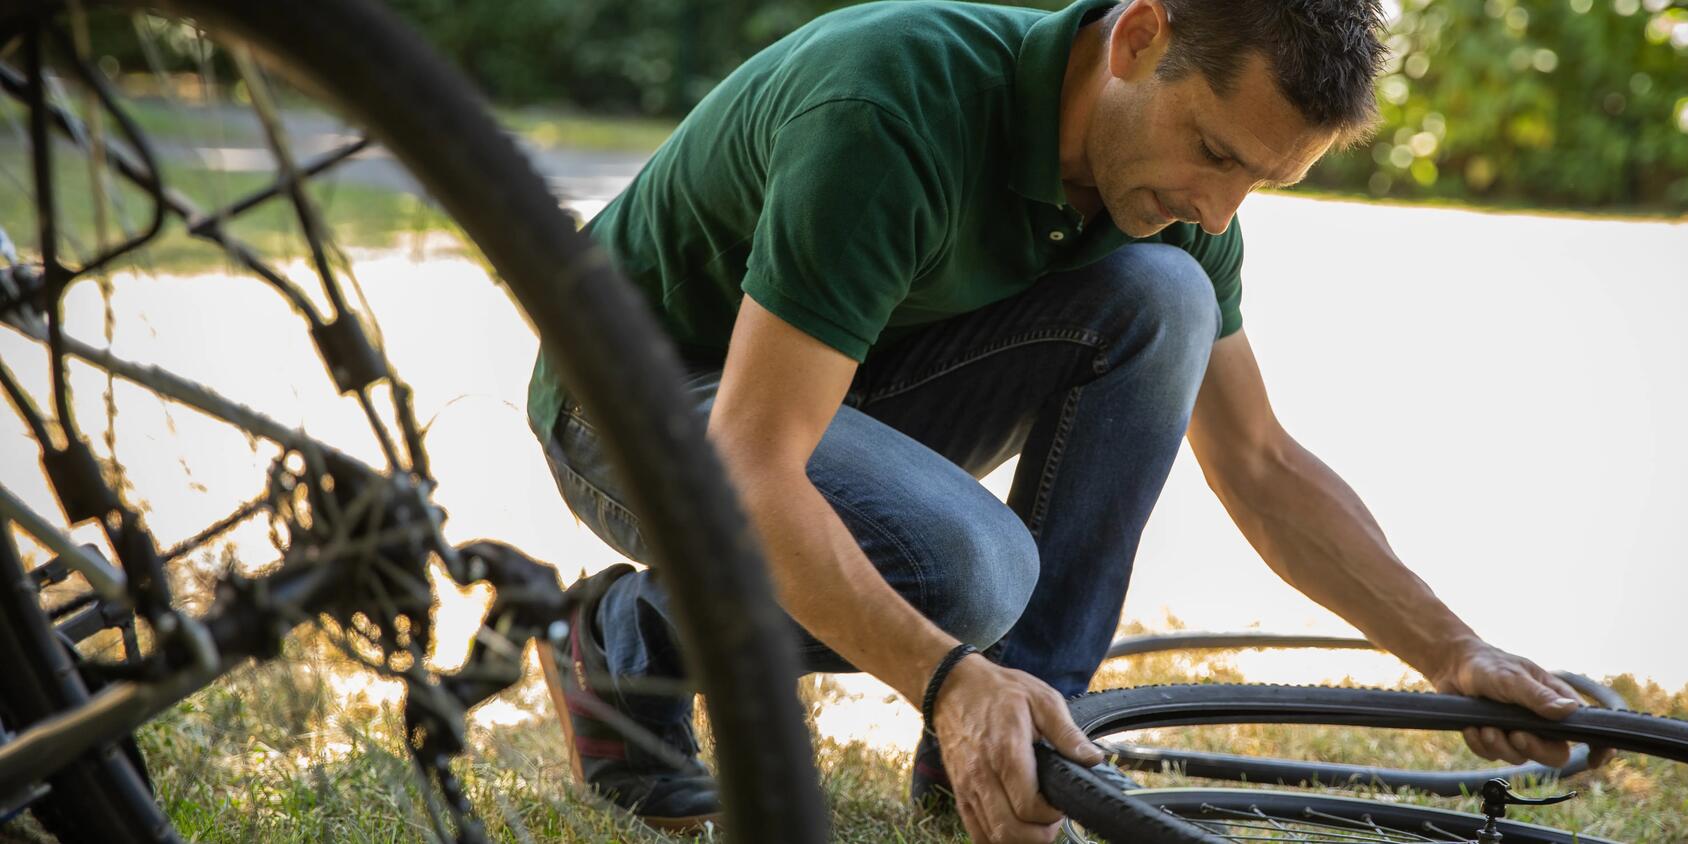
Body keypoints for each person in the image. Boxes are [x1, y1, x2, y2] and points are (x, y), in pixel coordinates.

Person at [528, 0, 1601, 840]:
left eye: (1262, 181)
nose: (1221, 210)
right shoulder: (891, 108)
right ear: (1138, 38)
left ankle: (1017, 757)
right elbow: (756, 464)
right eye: (1217, 153)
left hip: (836, 393)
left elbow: (1260, 462)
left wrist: (1453, 651)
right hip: (639, 405)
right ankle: (627, 640)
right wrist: (949, 675)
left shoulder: (1179, 208)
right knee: (970, 574)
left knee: (1167, 295)